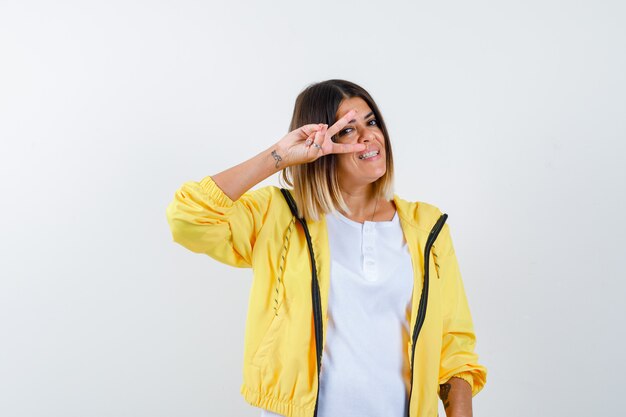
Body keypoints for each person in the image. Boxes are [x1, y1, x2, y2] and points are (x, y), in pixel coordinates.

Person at [166, 79, 487, 417]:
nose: (368, 136)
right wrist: (279, 157)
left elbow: (455, 348)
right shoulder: (280, 217)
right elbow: (188, 217)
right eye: (347, 130)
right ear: (321, 143)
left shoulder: (427, 229)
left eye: (371, 121)